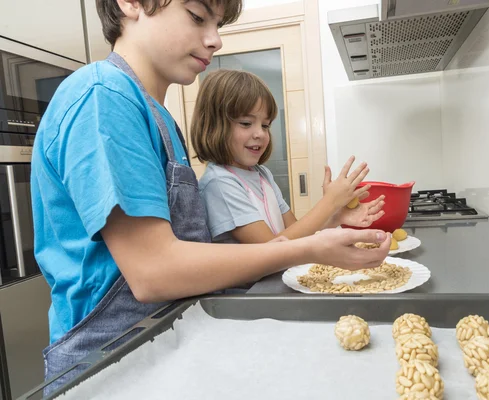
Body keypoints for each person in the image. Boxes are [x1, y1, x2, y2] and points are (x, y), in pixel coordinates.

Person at [30, 0, 391, 392]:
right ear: (131, 4)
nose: (215, 40)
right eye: (198, 17)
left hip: (161, 346)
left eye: (217, 24)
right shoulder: (103, 98)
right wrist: (312, 248)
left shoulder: (156, 115)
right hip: (109, 364)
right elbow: (153, 272)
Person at [192, 69, 386, 244]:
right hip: (254, 285)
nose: (260, 133)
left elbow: (295, 234)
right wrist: (330, 202)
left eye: (265, 125)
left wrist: (336, 217)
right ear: (214, 126)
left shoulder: (262, 175)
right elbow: (271, 251)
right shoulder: (220, 183)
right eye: (245, 123)